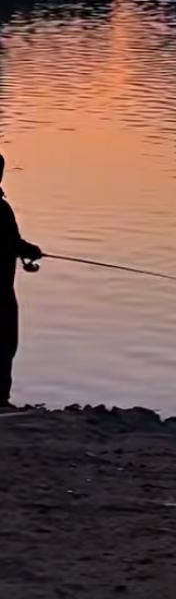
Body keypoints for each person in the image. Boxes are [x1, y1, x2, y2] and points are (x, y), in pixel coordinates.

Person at [0, 153, 41, 408]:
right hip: (0, 292)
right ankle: (1, 401)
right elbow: (13, 243)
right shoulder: (0, 210)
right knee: (4, 344)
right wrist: (32, 251)